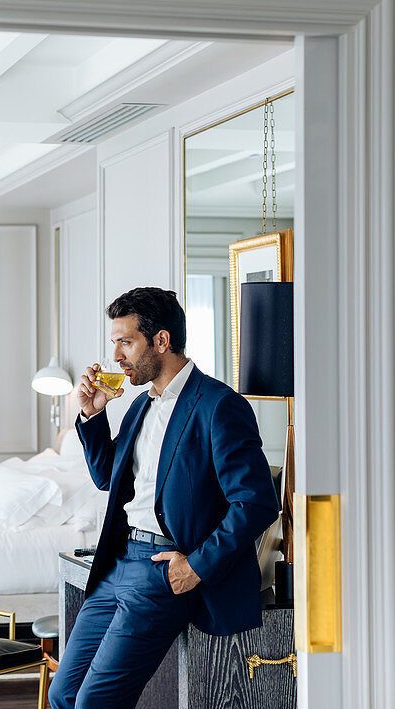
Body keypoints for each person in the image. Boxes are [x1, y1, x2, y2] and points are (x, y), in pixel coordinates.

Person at [48, 287, 279, 709]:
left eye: (125, 341)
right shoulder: (139, 405)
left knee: (93, 702)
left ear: (161, 341)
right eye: (115, 341)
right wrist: (93, 414)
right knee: (62, 692)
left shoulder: (218, 405)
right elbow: (107, 478)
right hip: (118, 563)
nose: (116, 355)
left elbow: (256, 502)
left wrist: (195, 566)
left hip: (161, 573)